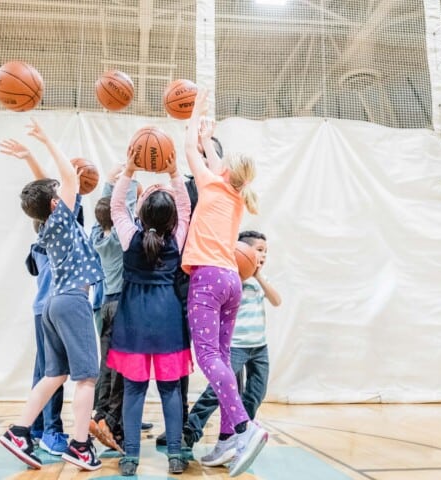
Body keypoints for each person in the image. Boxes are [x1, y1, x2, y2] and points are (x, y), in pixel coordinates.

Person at [0, 119, 103, 472]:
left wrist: (30, 157)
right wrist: (46, 139)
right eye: (58, 194)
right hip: (72, 301)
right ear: (57, 204)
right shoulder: (60, 219)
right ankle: (79, 445)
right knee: (86, 377)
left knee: (54, 375)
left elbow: (47, 190)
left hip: (53, 305)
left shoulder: (47, 223)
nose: (63, 193)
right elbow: (68, 180)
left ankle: (19, 431)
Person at [181, 88, 266, 478]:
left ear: (225, 172)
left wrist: (195, 116)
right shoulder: (234, 193)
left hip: (209, 281)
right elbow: (211, 158)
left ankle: (246, 428)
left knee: (209, 358)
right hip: (232, 280)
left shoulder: (213, 185)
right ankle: (228, 437)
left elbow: (189, 152)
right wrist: (206, 136)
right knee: (223, 356)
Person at [106, 148, 193, 476]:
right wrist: (173, 173)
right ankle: (174, 454)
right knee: (171, 389)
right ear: (172, 218)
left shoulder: (130, 237)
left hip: (134, 322)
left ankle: (130, 457)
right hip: (169, 320)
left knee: (133, 389)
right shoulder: (178, 238)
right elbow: (185, 208)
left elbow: (116, 207)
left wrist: (129, 170)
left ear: (140, 213)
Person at [184, 230, 282, 458]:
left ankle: (240, 433)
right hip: (236, 345)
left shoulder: (259, 282)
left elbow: (277, 301)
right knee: (218, 390)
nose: (263, 255)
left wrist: (258, 276)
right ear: (242, 251)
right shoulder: (233, 278)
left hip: (258, 346)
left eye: (266, 252)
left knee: (256, 392)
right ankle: (192, 428)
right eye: (258, 250)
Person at [0, 139, 68, 456]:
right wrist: (33, 156)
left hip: (44, 309)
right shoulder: (57, 229)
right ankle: (51, 430)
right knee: (54, 372)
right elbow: (53, 194)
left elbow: (46, 196)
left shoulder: (44, 231)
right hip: (55, 310)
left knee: (44, 370)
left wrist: (29, 157)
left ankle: (38, 427)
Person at [157, 131, 224, 448]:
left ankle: (231, 426)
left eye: (204, 151)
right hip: (183, 285)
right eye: (195, 151)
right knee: (181, 357)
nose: (197, 156)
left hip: (216, 284)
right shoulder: (183, 192)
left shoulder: (223, 190)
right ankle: (181, 425)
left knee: (223, 361)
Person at [89, 165, 140, 454]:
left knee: (106, 364)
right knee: (122, 369)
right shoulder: (122, 239)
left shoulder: (98, 238)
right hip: (122, 305)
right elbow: (126, 210)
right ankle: (112, 424)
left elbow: (107, 214)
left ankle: (97, 414)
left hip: (105, 305)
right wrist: (126, 180)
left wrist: (110, 185)